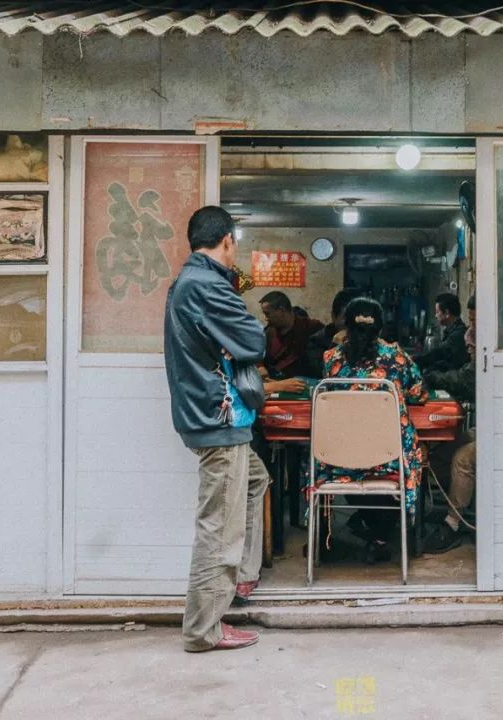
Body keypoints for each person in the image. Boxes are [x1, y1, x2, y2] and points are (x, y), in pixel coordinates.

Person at [164, 205, 270, 653]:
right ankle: (203, 628)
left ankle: (242, 577)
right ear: (227, 240)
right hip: (220, 418)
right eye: (235, 243)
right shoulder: (207, 284)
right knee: (218, 527)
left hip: (212, 416)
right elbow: (253, 340)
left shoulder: (190, 282)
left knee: (256, 480)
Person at [318, 297, 429, 564]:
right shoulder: (396, 357)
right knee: (415, 457)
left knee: (352, 467)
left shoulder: (330, 359)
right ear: (381, 328)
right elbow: (418, 392)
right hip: (389, 460)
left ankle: (368, 533)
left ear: (345, 326)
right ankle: (381, 536)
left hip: (339, 460)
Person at [422, 295, 477, 554]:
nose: (472, 326)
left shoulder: (490, 347)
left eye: (477, 319)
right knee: (441, 451)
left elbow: (466, 380)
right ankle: (456, 506)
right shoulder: (471, 338)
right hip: (486, 428)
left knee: (463, 458)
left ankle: (453, 523)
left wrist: (431, 378)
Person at [260, 291, 324, 379]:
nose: (266, 318)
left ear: (281, 310)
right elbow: (257, 357)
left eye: (267, 314)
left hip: (305, 384)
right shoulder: (268, 333)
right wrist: (260, 367)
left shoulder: (312, 327)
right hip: (276, 385)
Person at [305, 287, 360, 378]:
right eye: (346, 320)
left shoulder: (370, 338)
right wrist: (335, 346)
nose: (352, 326)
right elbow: (318, 373)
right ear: (333, 316)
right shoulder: (317, 341)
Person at [414, 292, 468, 373]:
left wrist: (415, 359)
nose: (436, 315)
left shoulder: (458, 334)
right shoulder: (451, 331)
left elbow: (439, 353)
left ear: (446, 313)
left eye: (437, 312)